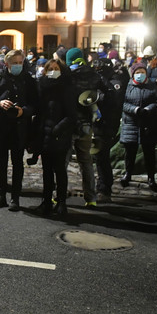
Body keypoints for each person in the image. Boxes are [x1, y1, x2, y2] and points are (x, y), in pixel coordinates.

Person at [0, 49, 38, 211]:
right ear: (7, 64)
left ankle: (15, 198)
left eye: (21, 63)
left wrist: (23, 111)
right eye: (15, 63)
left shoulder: (28, 79)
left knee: (18, 163)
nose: (18, 66)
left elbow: (35, 104)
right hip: (0, 127)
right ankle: (1, 195)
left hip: (19, 127)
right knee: (1, 163)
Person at [34, 60, 76, 216]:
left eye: (56, 68)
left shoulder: (66, 87)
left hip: (60, 135)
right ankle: (46, 201)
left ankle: (61, 202)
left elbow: (72, 115)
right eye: (50, 69)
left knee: (60, 170)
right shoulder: (42, 87)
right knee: (46, 171)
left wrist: (58, 129)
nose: (53, 71)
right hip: (45, 135)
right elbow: (39, 113)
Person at [66, 47, 106, 207]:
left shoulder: (68, 76)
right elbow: (106, 92)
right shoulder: (93, 75)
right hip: (87, 124)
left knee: (63, 161)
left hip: (69, 123)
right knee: (86, 161)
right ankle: (91, 198)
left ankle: (58, 194)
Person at [119, 62, 157, 192]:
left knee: (149, 153)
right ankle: (128, 174)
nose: (140, 75)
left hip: (148, 124)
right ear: (133, 74)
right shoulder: (127, 87)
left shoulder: (152, 86)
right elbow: (123, 103)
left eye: (142, 72)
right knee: (130, 152)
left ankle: (151, 177)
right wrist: (135, 109)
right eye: (137, 72)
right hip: (131, 123)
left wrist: (148, 109)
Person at [90, 57, 123, 203]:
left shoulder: (115, 81)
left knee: (102, 156)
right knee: (98, 157)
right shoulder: (98, 80)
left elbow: (113, 99)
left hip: (107, 124)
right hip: (97, 123)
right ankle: (101, 185)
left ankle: (105, 188)